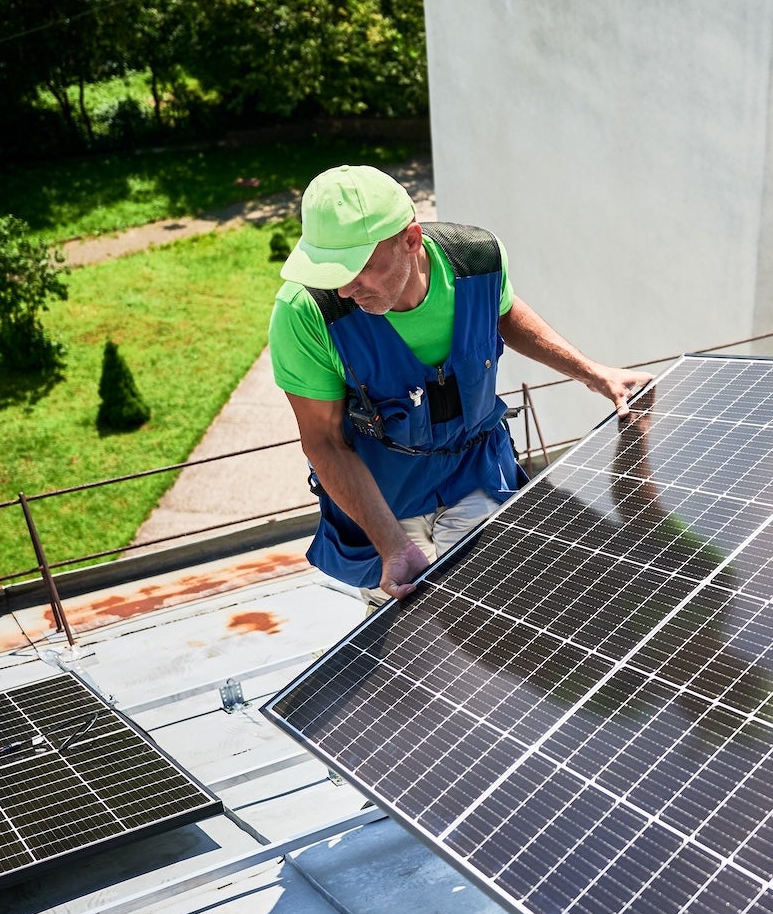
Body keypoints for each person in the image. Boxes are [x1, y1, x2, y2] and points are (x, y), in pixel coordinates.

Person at [270, 165, 650, 607]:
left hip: (474, 475)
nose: (346, 288)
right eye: (330, 270)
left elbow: (504, 314)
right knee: (414, 644)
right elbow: (325, 443)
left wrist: (594, 373)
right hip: (382, 504)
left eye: (360, 268)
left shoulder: (477, 261)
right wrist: (392, 545)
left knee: (501, 612)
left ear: (410, 241)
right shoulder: (304, 313)